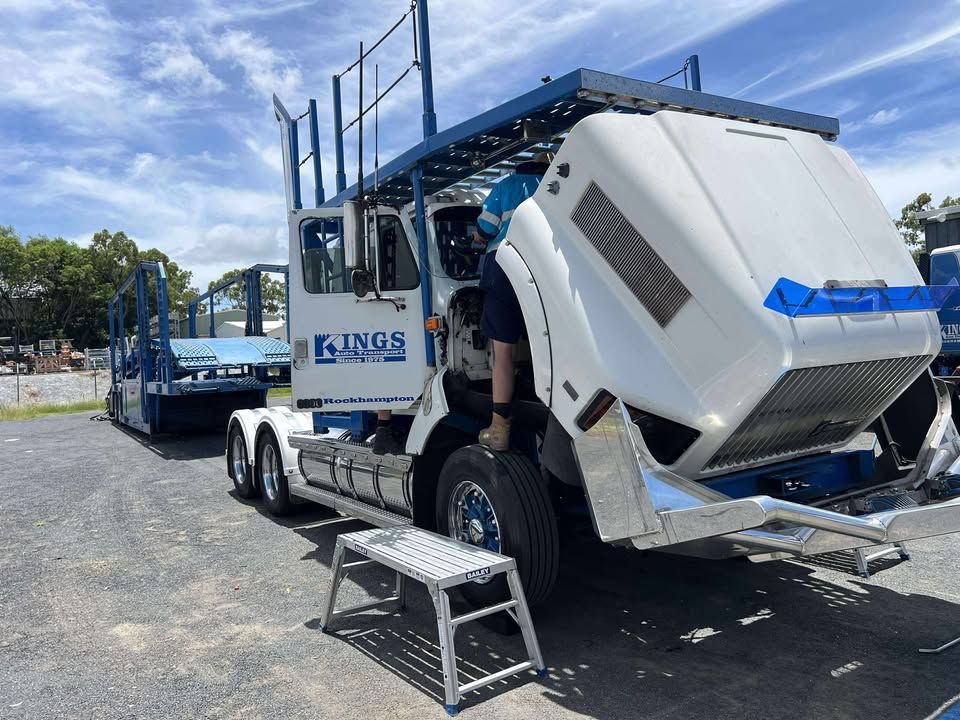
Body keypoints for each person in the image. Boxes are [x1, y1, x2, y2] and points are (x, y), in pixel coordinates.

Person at [473, 151, 553, 451]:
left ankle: (499, 429)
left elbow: (485, 229)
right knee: (547, 343)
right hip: (546, 268)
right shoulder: (555, 184)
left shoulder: (505, 187)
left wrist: (478, 241)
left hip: (504, 266)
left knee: (503, 353)